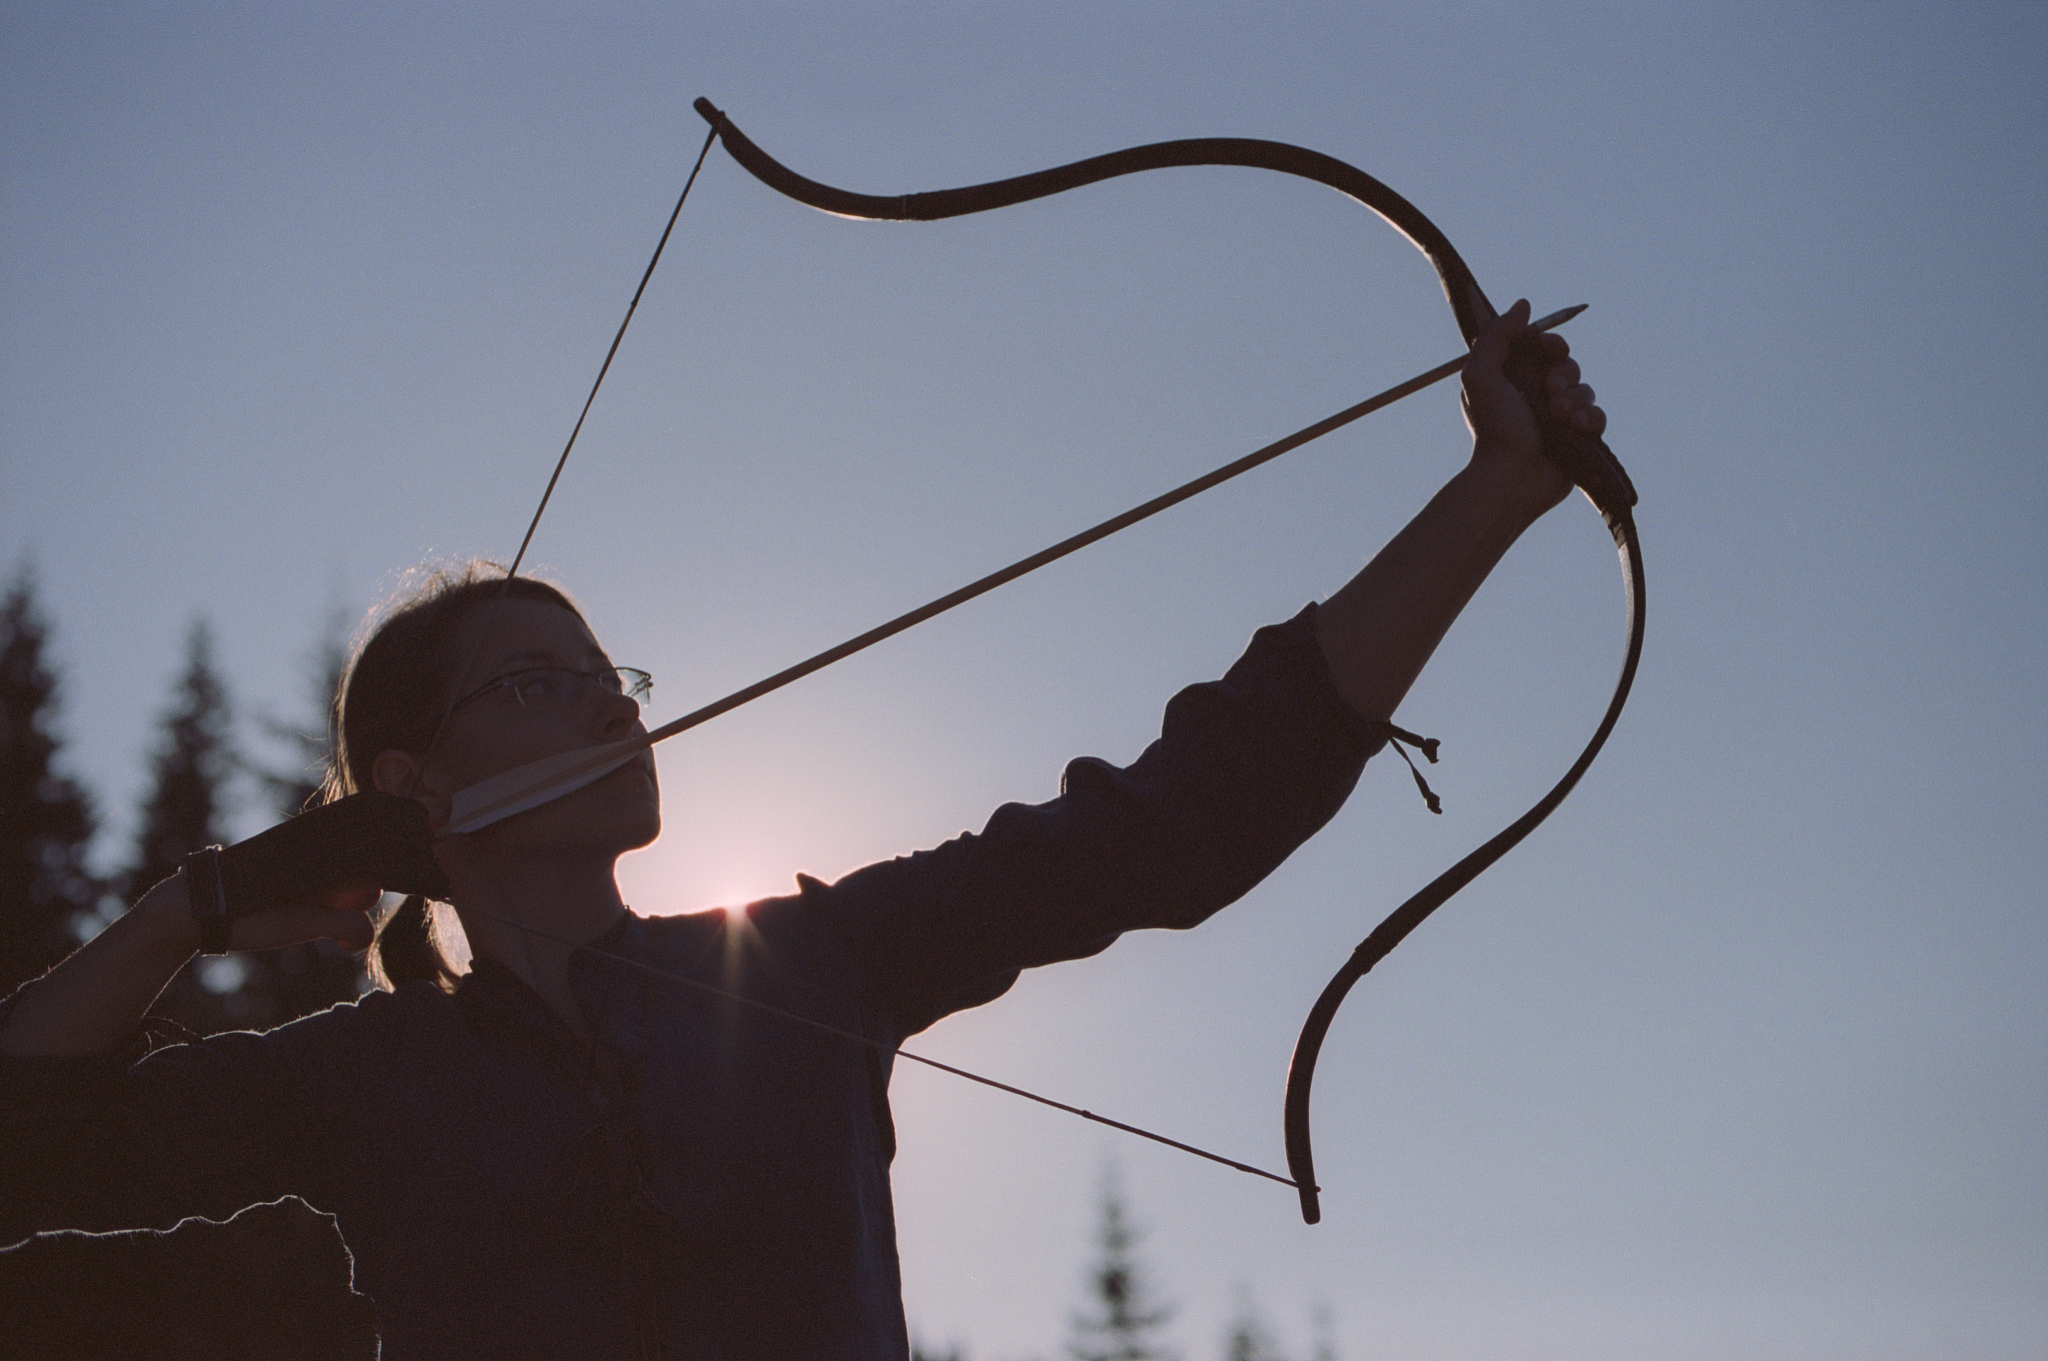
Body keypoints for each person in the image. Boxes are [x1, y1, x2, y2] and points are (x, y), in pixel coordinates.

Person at [1, 302, 1604, 1359]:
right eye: (543, 681)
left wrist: (1495, 494)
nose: (616, 708)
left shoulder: (808, 965)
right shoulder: (366, 1075)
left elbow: (1172, 819)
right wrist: (183, 912)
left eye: (610, 674)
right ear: (422, 784)